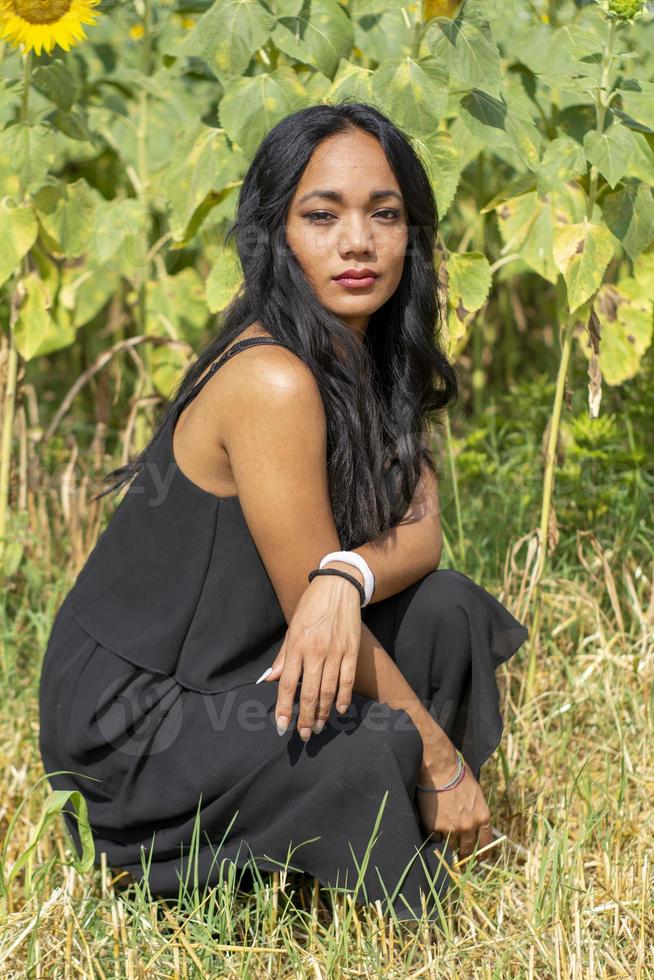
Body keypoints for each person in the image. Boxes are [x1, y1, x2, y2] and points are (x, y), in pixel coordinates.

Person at [38, 101, 528, 922]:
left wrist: (346, 574)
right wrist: (439, 762)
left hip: (244, 657)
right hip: (137, 716)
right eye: (321, 215)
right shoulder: (272, 378)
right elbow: (308, 602)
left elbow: (422, 533)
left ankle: (316, 834)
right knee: (378, 742)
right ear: (276, 233)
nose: (358, 243)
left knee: (447, 610)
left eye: (385, 214)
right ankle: (271, 869)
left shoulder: (371, 350)